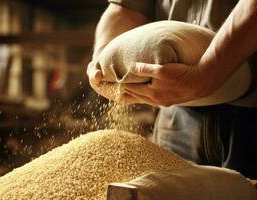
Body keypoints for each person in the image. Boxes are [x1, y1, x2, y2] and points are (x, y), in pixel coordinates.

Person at [87, 0, 257, 179]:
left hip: (250, 121)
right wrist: (101, 59)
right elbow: (125, 8)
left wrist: (211, 69)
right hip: (175, 115)